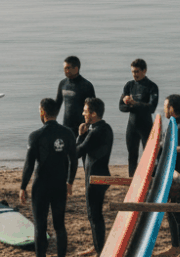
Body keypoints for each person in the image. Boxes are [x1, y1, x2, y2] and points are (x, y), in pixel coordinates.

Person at [20, 98, 77, 257]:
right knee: (60, 226)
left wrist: (23, 186)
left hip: (41, 186)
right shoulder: (68, 133)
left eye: (39, 109)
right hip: (60, 185)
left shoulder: (36, 136)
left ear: (43, 112)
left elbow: (29, 164)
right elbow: (74, 160)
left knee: (40, 226)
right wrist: (70, 181)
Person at [76, 98, 113, 256]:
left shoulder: (96, 132)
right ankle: (97, 246)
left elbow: (78, 152)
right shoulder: (105, 128)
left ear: (94, 114)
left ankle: (99, 251)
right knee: (95, 214)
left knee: (94, 215)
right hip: (100, 175)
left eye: (85, 111)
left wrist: (80, 135)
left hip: (95, 179)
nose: (83, 114)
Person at [158, 95, 180, 257]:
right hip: (169, 175)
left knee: (179, 214)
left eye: (166, 107)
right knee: (170, 212)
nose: (164, 109)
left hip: (179, 176)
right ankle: (175, 247)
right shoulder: (174, 125)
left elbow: (178, 150)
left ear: (171, 108)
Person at [119, 59, 159, 176]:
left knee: (149, 157)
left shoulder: (151, 86)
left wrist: (134, 103)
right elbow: (121, 107)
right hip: (132, 127)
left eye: (137, 72)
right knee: (132, 156)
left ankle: (150, 181)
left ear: (144, 71)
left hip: (146, 126)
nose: (134, 74)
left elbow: (151, 108)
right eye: (132, 72)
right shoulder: (129, 85)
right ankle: (132, 180)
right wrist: (130, 105)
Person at [55, 56, 95, 138]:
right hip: (66, 127)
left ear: (76, 68)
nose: (65, 71)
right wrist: (52, 123)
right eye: (64, 68)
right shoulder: (62, 84)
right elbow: (57, 104)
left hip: (81, 128)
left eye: (68, 68)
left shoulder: (86, 85)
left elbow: (93, 108)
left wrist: (88, 125)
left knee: (79, 150)